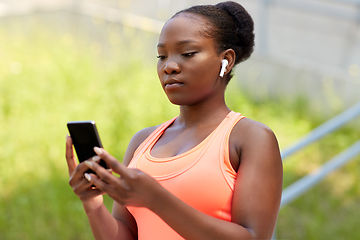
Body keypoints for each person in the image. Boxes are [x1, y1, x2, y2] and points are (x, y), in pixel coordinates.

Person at [65, 1, 283, 239]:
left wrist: (156, 199)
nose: (169, 66)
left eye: (188, 53)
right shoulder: (143, 141)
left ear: (226, 60)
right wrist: (93, 203)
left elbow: (253, 237)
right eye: (161, 56)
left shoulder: (250, 138)